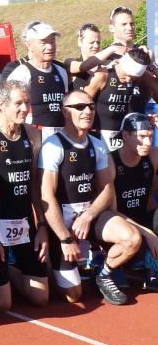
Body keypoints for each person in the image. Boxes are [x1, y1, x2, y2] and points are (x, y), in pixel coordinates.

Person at [39, 90, 141, 305]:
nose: (88, 111)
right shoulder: (53, 146)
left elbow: (107, 189)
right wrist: (65, 238)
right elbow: (46, 196)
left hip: (89, 215)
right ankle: (48, 266)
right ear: (65, 112)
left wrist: (89, 215)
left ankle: (102, 274)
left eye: (91, 106)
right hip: (62, 223)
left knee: (132, 238)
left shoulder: (97, 144)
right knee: (73, 296)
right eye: (80, 107)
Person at [0, 80, 49, 310]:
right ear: (1, 106)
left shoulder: (32, 134)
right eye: (19, 103)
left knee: (41, 298)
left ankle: (10, 272)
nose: (25, 108)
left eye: (27, 103)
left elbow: (34, 184)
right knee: (2, 305)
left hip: (24, 222)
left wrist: (41, 225)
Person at [109, 113, 158, 290]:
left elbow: (152, 195)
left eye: (151, 136)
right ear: (125, 135)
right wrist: (148, 233)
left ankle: (151, 264)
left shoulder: (153, 157)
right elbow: (110, 211)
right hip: (118, 225)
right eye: (142, 136)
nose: (147, 142)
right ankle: (109, 263)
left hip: (142, 220)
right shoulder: (110, 161)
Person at [1, 22, 68, 139]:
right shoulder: (22, 72)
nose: (50, 47)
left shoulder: (61, 71)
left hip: (61, 134)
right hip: (33, 135)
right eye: (43, 43)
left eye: (52, 41)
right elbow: (8, 108)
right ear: (30, 45)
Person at [85, 47, 156, 151]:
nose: (128, 80)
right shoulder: (102, 75)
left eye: (133, 78)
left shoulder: (144, 77)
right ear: (121, 64)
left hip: (131, 138)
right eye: (126, 75)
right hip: (100, 136)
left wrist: (154, 70)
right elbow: (81, 103)